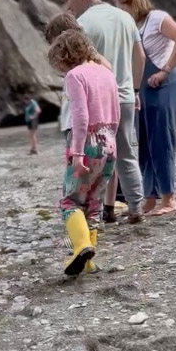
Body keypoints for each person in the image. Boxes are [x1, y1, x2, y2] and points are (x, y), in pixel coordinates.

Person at [62, 0, 145, 224]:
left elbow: (77, 64)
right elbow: (139, 56)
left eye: (69, 0)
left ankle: (87, 212)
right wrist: (136, 90)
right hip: (125, 96)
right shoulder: (125, 17)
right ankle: (135, 208)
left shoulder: (82, 24)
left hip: (96, 100)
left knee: (95, 155)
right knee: (126, 153)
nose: (68, 7)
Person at [48, 30, 120, 276]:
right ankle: (88, 262)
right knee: (94, 203)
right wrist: (111, 140)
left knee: (70, 201)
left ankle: (81, 246)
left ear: (65, 55)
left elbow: (80, 117)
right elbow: (116, 113)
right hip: (110, 141)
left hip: (87, 142)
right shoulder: (107, 73)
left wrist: (77, 153)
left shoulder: (75, 75)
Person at [116, 0, 176, 216]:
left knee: (161, 141)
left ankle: (169, 198)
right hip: (144, 89)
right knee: (145, 143)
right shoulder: (133, 27)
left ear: (133, 2)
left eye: (123, 6)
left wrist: (165, 70)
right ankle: (150, 197)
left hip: (164, 84)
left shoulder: (157, 18)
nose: (121, 11)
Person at [45, 12, 113, 138]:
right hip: (71, 120)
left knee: (79, 155)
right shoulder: (79, 58)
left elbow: (107, 67)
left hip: (78, 123)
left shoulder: (86, 55)